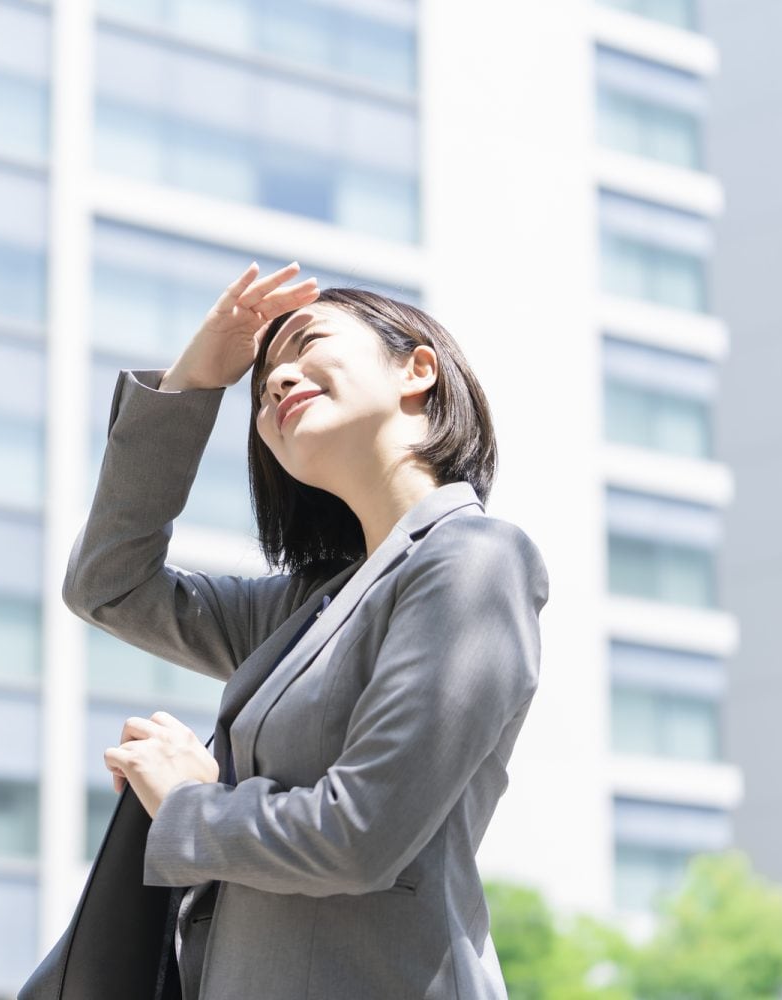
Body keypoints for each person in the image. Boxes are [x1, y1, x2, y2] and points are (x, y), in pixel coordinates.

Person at [62, 262, 551, 999]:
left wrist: (191, 801)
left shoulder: (476, 558)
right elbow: (110, 585)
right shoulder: (303, 608)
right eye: (263, 388)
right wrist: (194, 383)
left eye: (308, 343)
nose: (278, 380)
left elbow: (360, 836)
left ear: (416, 370)